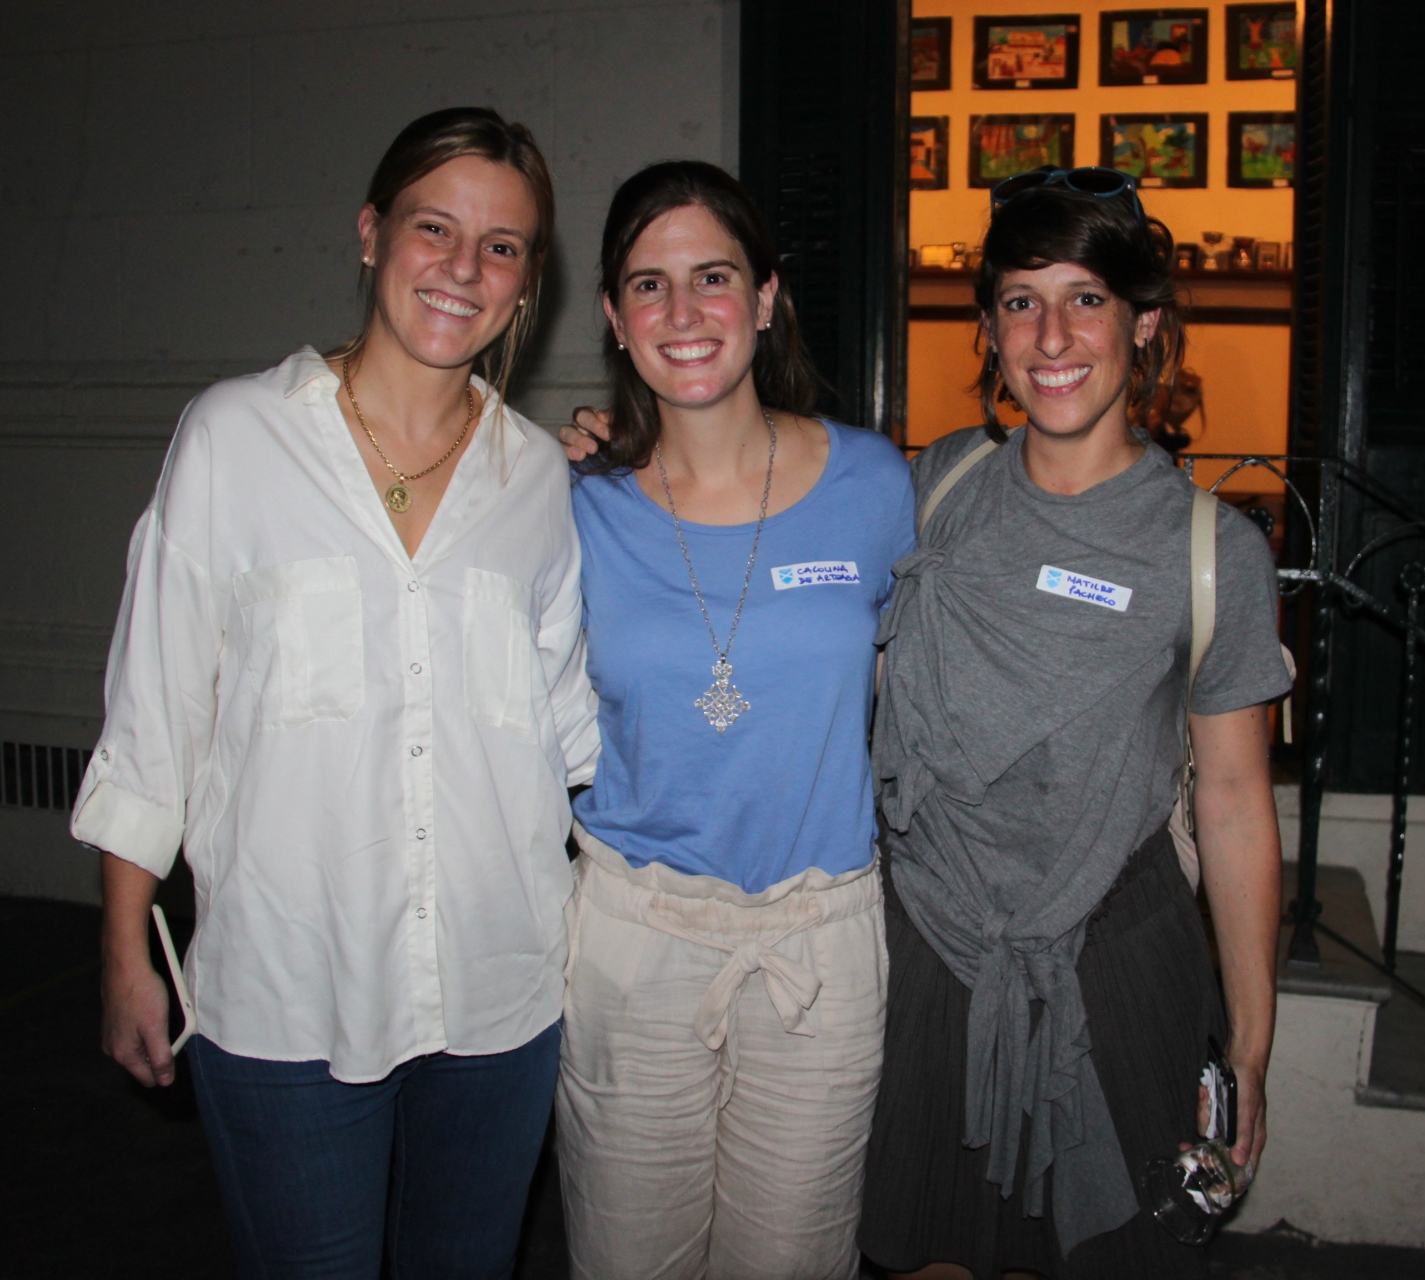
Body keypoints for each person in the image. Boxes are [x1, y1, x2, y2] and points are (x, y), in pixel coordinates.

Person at [77, 107, 596, 1279]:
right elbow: (155, 715)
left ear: (528, 284)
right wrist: (124, 954)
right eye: (434, 228)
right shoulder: (234, 438)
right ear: (372, 234)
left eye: (502, 246)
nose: (464, 269)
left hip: (501, 991)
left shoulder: (541, 486)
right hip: (284, 995)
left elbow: (575, 732)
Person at [858, 168, 1291, 1280]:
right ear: (990, 329)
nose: (1052, 333)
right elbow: (755, 499)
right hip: (930, 945)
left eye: (1086, 297)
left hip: (1116, 953)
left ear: (1145, 324)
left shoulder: (1211, 553)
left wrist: (1249, 1039)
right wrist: (625, 453)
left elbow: (1238, 802)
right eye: (1019, 299)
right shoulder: (935, 486)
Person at [556, 160, 915, 1279]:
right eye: (649, 285)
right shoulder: (568, 503)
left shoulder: (874, 483)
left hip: (820, 944)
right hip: (635, 938)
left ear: (766, 297)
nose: (683, 312)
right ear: (614, 318)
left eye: (713, 276)